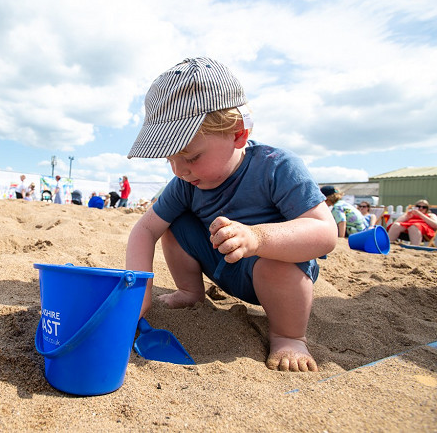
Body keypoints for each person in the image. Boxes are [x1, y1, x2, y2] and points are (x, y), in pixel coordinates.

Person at [125, 57, 337, 372]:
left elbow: (325, 233)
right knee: (170, 222)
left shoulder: (277, 166)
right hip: (223, 268)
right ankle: (190, 292)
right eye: (169, 159)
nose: (180, 170)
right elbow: (144, 230)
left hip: (279, 276)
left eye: (191, 156)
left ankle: (289, 336)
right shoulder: (186, 183)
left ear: (237, 134)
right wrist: (138, 294)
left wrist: (258, 238)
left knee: (276, 264)